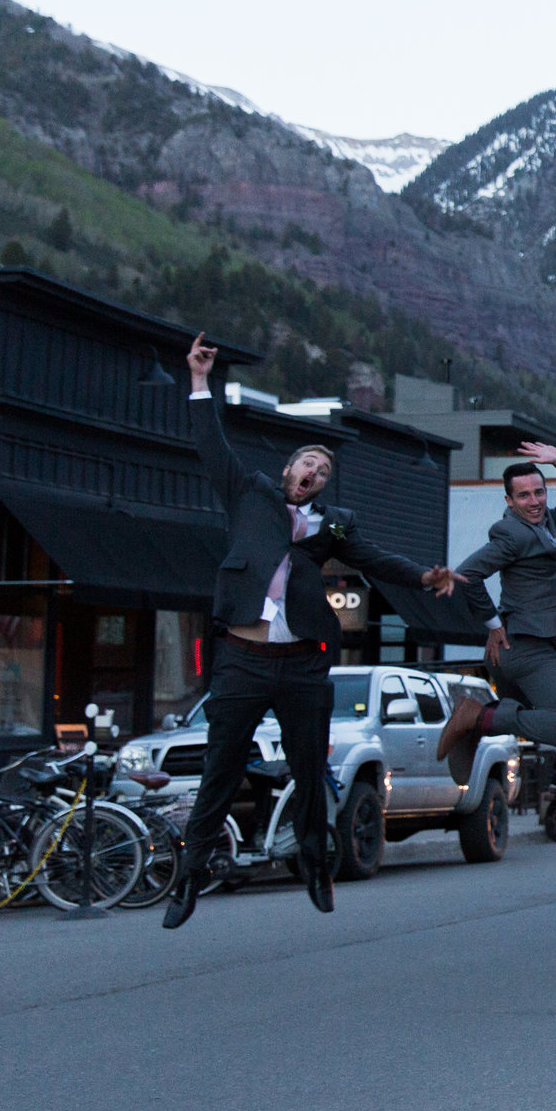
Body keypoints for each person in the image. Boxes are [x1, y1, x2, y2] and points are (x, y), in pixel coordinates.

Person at [166, 334, 458, 929]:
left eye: (324, 470)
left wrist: (426, 578)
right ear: (287, 469)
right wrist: (200, 382)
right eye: (308, 463)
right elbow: (210, 444)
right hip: (242, 659)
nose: (315, 471)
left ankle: (317, 866)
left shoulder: (334, 527)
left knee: (308, 769)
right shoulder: (247, 494)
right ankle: (190, 876)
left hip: (301, 662)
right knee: (220, 769)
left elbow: (375, 561)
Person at [440, 441, 556, 783]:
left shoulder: (545, 525)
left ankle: (477, 726)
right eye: (524, 496)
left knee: (533, 720)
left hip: (514, 652)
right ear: (509, 502)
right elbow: (468, 575)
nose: (534, 502)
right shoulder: (513, 534)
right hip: (526, 648)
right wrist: (493, 623)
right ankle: (476, 717)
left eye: (539, 493)